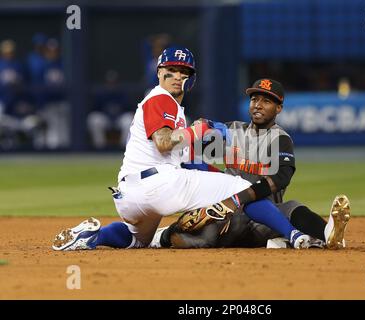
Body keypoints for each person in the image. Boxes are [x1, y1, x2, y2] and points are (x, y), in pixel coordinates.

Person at [52, 46, 321, 252]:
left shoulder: (175, 112)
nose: (177, 76)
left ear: (190, 79)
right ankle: (295, 236)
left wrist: (218, 174)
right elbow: (163, 142)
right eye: (171, 70)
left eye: (184, 72)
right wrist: (200, 131)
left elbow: (191, 163)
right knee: (241, 189)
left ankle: (92, 236)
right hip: (159, 185)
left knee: (136, 241)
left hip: (130, 196)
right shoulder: (160, 99)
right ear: (159, 72)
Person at [152, 79, 350, 249]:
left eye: (266, 101)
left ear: (278, 108)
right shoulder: (233, 131)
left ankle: (329, 234)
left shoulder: (279, 139)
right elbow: (190, 151)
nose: (258, 105)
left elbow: (281, 178)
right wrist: (199, 130)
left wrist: (240, 198)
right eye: (254, 99)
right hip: (226, 212)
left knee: (292, 207)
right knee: (213, 222)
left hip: (264, 218)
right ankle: (165, 235)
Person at [87, 70, 133, 149]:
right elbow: (95, 108)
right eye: (110, 82)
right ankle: (100, 148)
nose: (111, 84)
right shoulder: (101, 93)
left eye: (114, 82)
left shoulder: (122, 93)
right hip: (106, 119)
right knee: (94, 119)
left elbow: (129, 108)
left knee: (129, 120)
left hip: (119, 118)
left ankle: (124, 148)